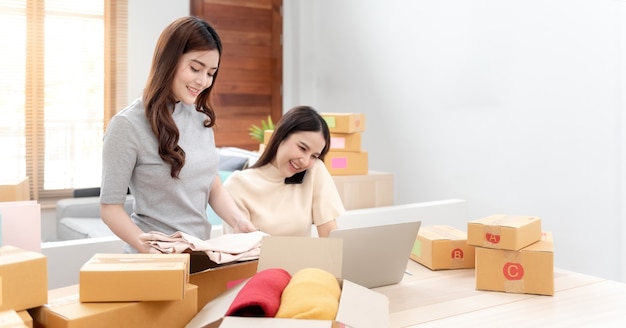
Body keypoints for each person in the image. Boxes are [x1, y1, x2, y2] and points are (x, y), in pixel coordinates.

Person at [100, 16, 257, 254]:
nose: (203, 81)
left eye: (211, 72)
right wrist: (153, 250)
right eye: (195, 68)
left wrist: (238, 221)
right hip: (154, 262)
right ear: (169, 60)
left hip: (201, 255)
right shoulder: (127, 125)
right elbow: (110, 209)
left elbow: (212, 186)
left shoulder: (201, 119)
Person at [224, 106, 345, 237]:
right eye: (302, 148)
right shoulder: (238, 184)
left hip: (306, 258)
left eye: (314, 156)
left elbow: (330, 237)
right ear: (282, 136)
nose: (305, 161)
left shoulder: (314, 171)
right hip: (260, 258)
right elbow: (240, 250)